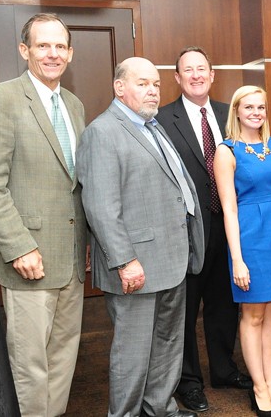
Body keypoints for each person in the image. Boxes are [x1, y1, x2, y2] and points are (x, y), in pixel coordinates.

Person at [0, 12, 87, 417]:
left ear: (70, 53)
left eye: (60, 46)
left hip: (70, 259)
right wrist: (19, 248)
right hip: (29, 260)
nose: (52, 54)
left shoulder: (73, 104)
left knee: (62, 361)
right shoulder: (1, 99)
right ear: (25, 50)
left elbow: (74, 184)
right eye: (43, 45)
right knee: (29, 368)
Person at [76, 57, 204, 417]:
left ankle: (160, 408)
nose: (152, 91)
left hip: (170, 258)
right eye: (143, 83)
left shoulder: (152, 124)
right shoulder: (102, 132)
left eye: (157, 85)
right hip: (135, 265)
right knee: (132, 353)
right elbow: (101, 205)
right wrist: (124, 260)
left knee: (166, 344)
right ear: (119, 87)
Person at [156, 46, 251, 413]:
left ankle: (224, 370)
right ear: (177, 78)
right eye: (188, 70)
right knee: (185, 308)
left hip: (227, 224)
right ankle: (189, 381)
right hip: (185, 230)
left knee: (225, 303)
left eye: (202, 69)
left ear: (212, 75)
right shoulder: (162, 119)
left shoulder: (231, 115)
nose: (196, 75)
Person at [215, 85, 271, 417]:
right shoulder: (227, 150)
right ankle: (258, 386)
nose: (256, 112)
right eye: (248, 107)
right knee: (253, 315)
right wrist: (237, 258)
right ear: (236, 111)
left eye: (261, 107)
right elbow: (229, 209)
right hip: (248, 236)